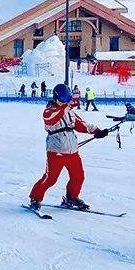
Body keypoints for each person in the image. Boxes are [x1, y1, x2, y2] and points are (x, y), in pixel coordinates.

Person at [27, 83, 109, 212]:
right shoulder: (49, 110)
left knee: (78, 176)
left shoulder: (68, 111)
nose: (65, 102)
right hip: (56, 150)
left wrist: (96, 131)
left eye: (67, 100)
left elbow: (80, 124)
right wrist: (65, 108)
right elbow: (51, 119)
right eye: (63, 100)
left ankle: (72, 197)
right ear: (56, 98)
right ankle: (35, 198)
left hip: (72, 150)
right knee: (51, 178)